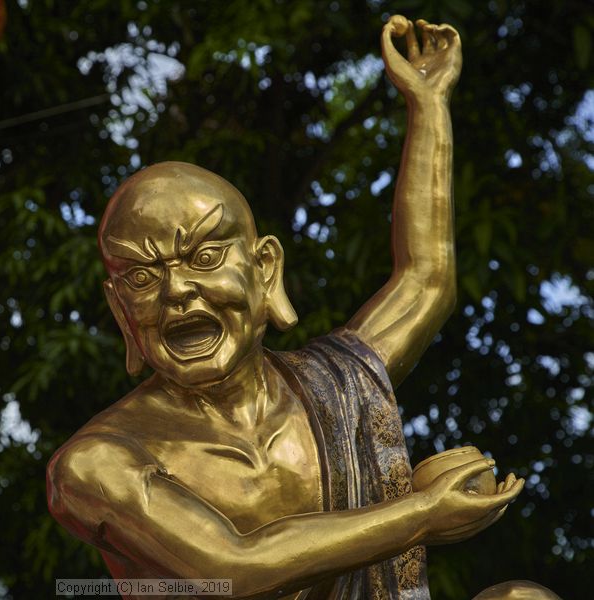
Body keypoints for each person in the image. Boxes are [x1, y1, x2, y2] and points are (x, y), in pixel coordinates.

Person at [47, 16, 552, 600]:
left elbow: (426, 281)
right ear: (119, 308)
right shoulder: (96, 463)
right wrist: (418, 516)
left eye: (205, 256)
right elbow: (232, 570)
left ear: (265, 270)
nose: (176, 291)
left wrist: (429, 105)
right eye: (140, 275)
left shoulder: (331, 384)